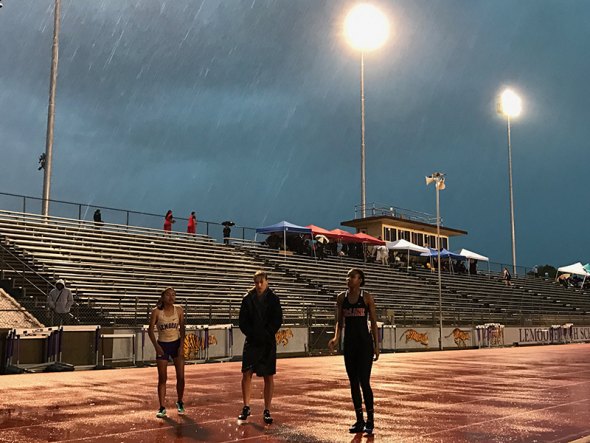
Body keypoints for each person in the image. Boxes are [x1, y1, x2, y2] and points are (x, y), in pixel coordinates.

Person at [328, 268, 379, 435]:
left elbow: (373, 321)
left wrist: (376, 345)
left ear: (360, 280)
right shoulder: (341, 298)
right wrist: (336, 339)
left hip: (364, 345)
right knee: (353, 383)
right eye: (347, 276)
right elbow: (339, 322)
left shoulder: (367, 297)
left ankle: (370, 420)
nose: (348, 279)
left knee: (364, 381)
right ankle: (359, 419)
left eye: (352, 276)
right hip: (349, 345)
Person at [238, 271, 283, 425]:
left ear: (266, 281)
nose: (258, 285)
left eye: (261, 282)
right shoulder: (247, 298)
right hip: (252, 340)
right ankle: (246, 406)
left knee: (268, 375)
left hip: (267, 341)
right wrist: (252, 333)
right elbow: (242, 321)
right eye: (256, 282)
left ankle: (267, 409)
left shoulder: (273, 299)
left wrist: (266, 333)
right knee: (246, 373)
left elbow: (278, 319)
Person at [148, 287, 186, 418]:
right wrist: (156, 346)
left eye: (174, 295)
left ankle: (180, 401)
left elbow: (182, 328)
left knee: (181, 376)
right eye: (169, 295)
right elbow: (150, 330)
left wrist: (181, 345)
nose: (171, 297)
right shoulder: (157, 312)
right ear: (163, 297)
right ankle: (162, 407)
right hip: (163, 345)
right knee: (162, 377)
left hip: (176, 343)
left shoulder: (179, 310)